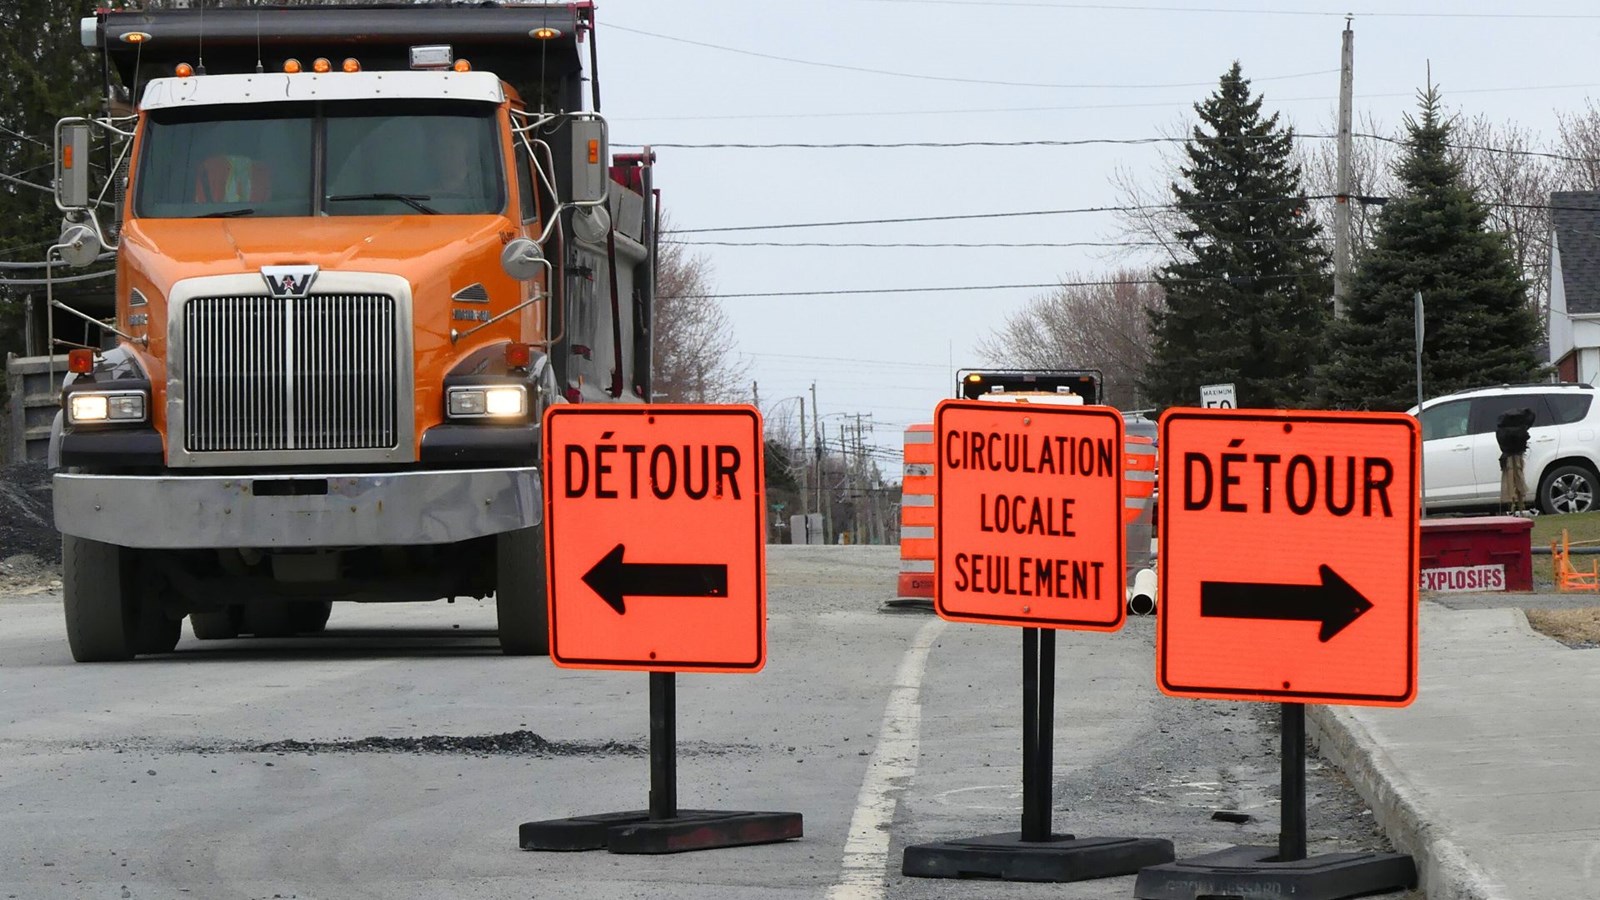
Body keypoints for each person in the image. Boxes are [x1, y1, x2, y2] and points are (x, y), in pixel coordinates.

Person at [1495, 407, 1536, 515]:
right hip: (1515, 457)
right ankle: (1518, 508)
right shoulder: (1519, 430)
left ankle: (1514, 508)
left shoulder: (1501, 430)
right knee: (1518, 479)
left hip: (1510, 457)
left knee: (1512, 480)